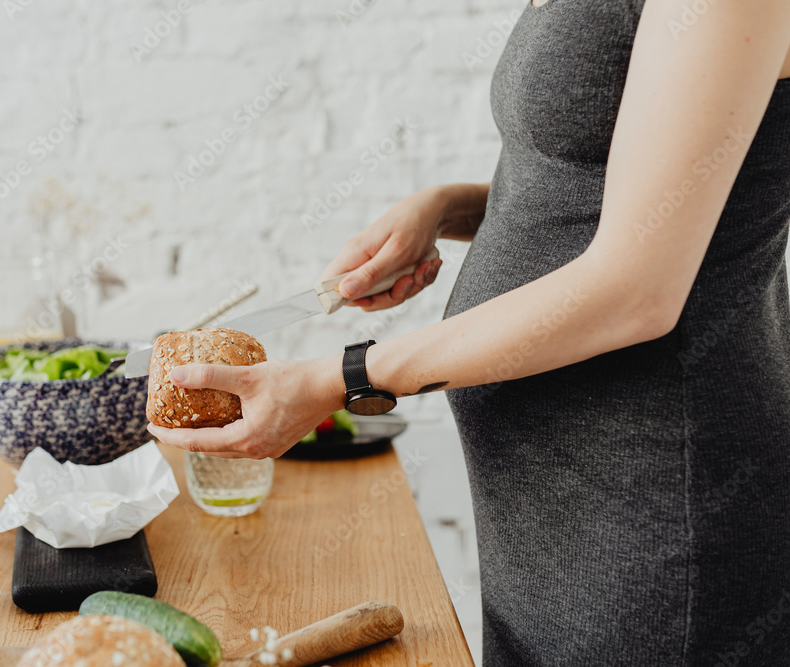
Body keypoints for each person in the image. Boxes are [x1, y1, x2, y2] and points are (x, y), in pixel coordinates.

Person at [147, 1, 790, 663]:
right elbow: (606, 179)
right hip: (540, 499)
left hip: (652, 494)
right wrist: (447, 208)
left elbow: (638, 291)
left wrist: (341, 377)